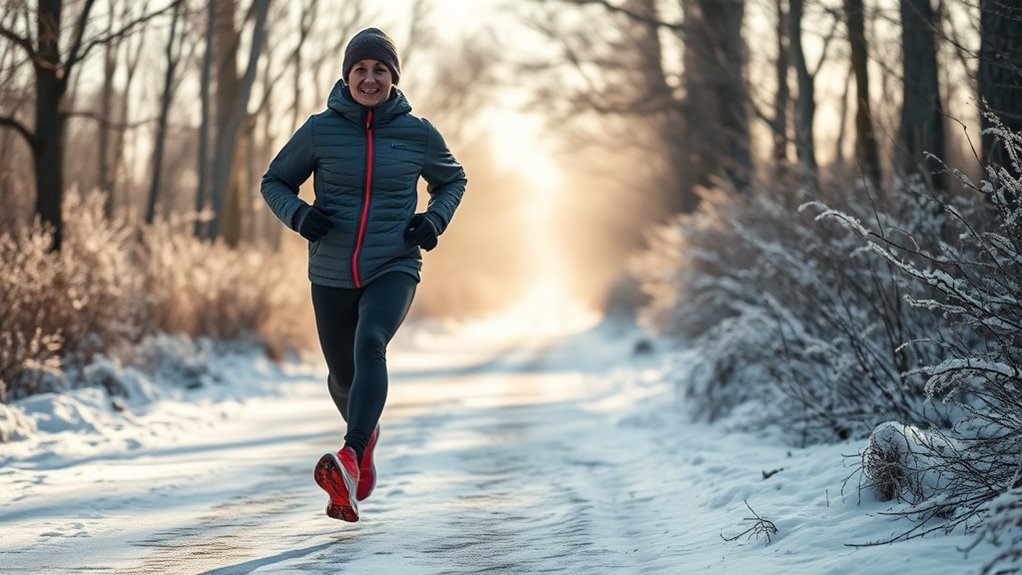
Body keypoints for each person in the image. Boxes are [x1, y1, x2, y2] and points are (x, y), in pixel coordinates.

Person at [260, 27, 467, 522]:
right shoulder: (320, 130)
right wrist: (300, 215)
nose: (369, 78)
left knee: (370, 340)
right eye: (360, 69)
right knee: (342, 377)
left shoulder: (418, 133)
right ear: (347, 76)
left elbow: (453, 178)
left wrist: (433, 219)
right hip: (331, 269)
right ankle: (364, 444)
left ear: (393, 79)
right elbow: (275, 181)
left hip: (393, 263)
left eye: (379, 70)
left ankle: (350, 457)